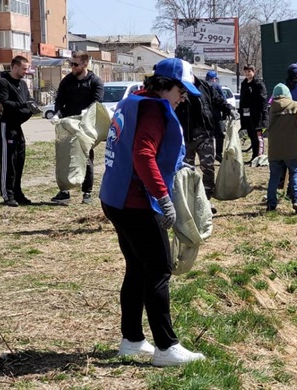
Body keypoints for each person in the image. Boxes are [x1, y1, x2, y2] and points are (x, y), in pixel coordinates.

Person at [99, 58, 205, 367]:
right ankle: (166, 347)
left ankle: (132, 340)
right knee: (159, 269)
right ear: (166, 86)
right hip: (135, 202)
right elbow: (143, 154)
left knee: (137, 268)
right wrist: (163, 197)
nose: (182, 98)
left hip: (115, 198)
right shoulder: (154, 109)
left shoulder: (132, 100)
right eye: (180, 91)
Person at [175, 73, 235, 214]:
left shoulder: (205, 87)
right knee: (186, 170)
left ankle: (207, 199)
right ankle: (191, 199)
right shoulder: (178, 87)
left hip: (205, 134)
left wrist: (229, 109)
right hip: (186, 137)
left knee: (208, 168)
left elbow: (218, 100)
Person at [50, 51, 105, 205]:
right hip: (68, 124)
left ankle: (87, 192)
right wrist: (57, 113)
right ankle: (64, 191)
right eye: (71, 64)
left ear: (85, 64)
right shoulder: (67, 81)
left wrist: (86, 112)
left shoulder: (95, 82)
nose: (72, 67)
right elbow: (60, 99)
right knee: (65, 157)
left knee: (86, 157)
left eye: (75, 64)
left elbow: (97, 103)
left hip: (85, 125)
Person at [0, 55, 34, 207]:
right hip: (6, 125)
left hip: (18, 125)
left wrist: (29, 109)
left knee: (19, 159)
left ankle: (17, 192)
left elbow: (28, 102)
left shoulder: (23, 85)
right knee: (8, 160)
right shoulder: (3, 83)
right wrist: (22, 105)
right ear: (15, 67)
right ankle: (7, 193)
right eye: (24, 68)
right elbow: (3, 103)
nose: (26, 71)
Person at [266, 83, 297, 214]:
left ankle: (271, 204)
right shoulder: (295, 105)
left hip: (274, 147)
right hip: (292, 146)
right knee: (295, 173)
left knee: (274, 176)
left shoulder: (270, 106)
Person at [239, 64, 269, 162]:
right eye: (246, 71)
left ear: (253, 72)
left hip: (257, 115)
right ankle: (254, 155)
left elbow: (263, 99)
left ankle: (259, 156)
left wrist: (264, 114)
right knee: (251, 136)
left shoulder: (258, 84)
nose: (247, 73)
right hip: (247, 115)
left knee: (258, 137)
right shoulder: (244, 84)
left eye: (249, 71)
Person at [205, 70, 226, 162]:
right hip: (216, 114)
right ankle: (218, 153)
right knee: (219, 135)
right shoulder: (216, 87)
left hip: (206, 115)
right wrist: (225, 113)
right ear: (214, 79)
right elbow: (223, 100)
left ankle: (208, 154)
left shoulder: (202, 86)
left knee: (208, 136)